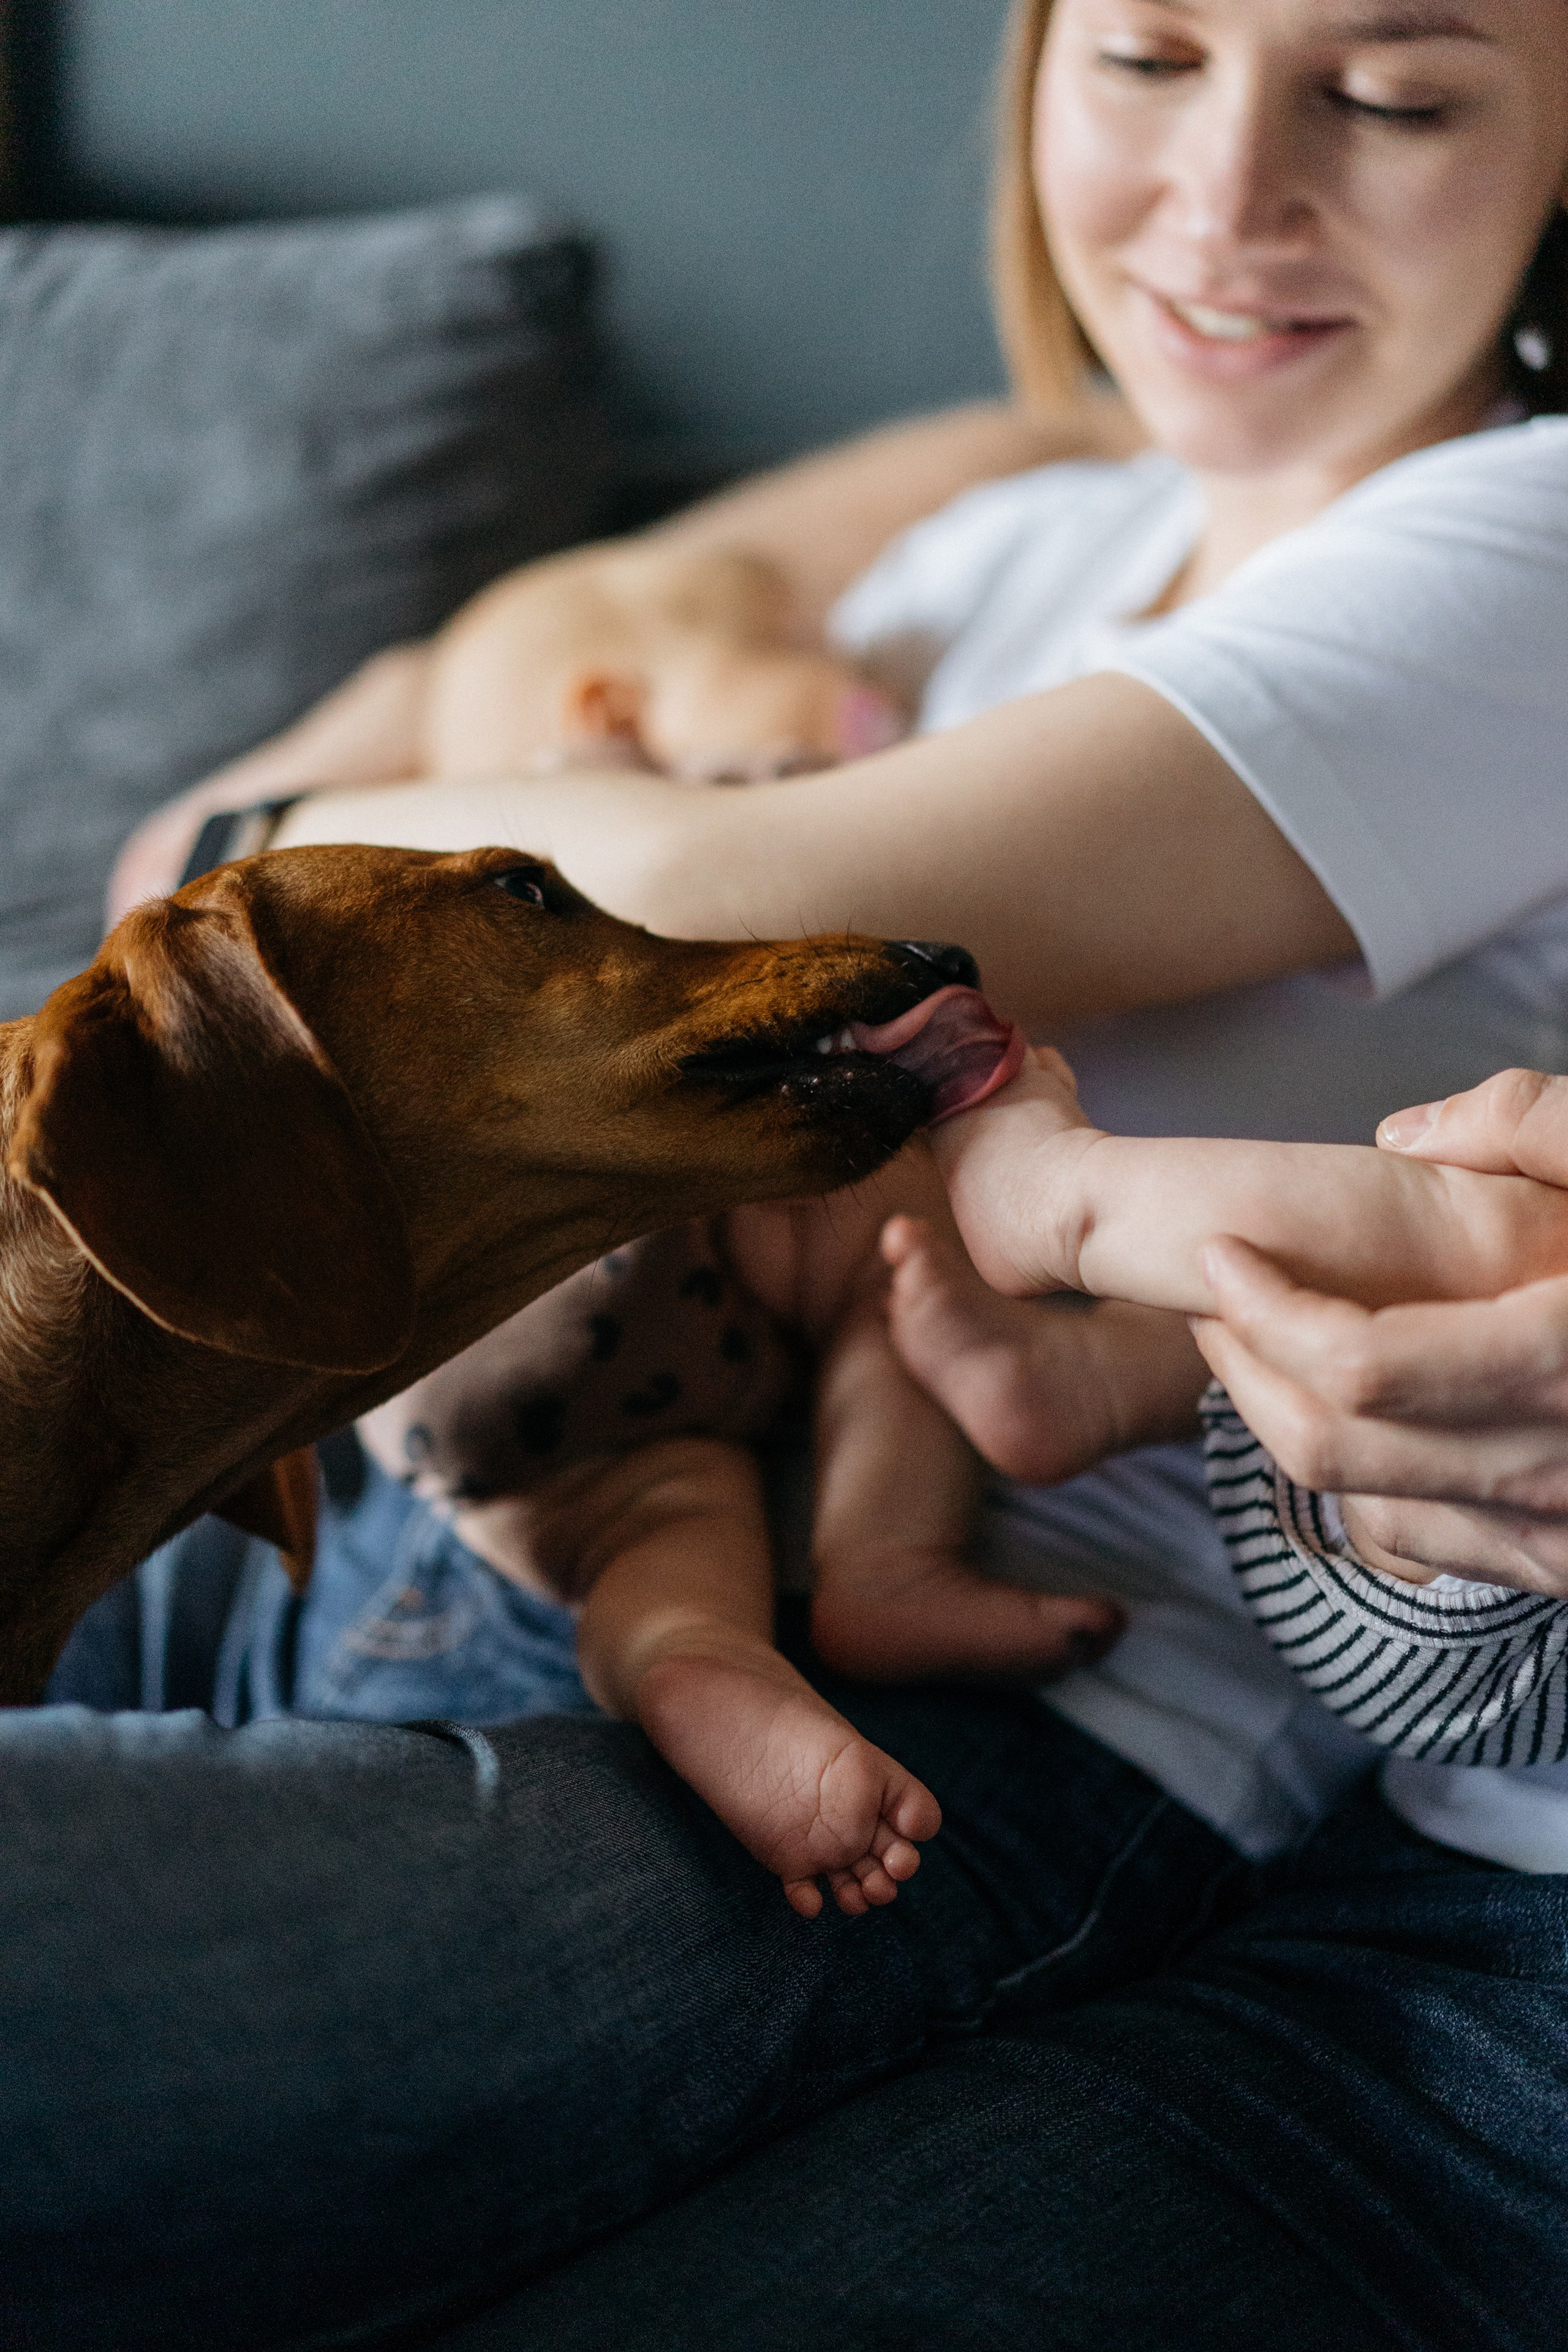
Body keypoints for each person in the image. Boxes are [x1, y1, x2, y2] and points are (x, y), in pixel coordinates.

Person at [13, 1, 1568, 2344]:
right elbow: (365, 808)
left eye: (1394, 95)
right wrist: (316, 851)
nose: (1227, 195)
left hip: (955, 1716)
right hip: (402, 1465)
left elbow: (698, 914)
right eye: (1146, 57)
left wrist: (267, 851)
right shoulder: (1016, 537)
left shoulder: (1529, 540)